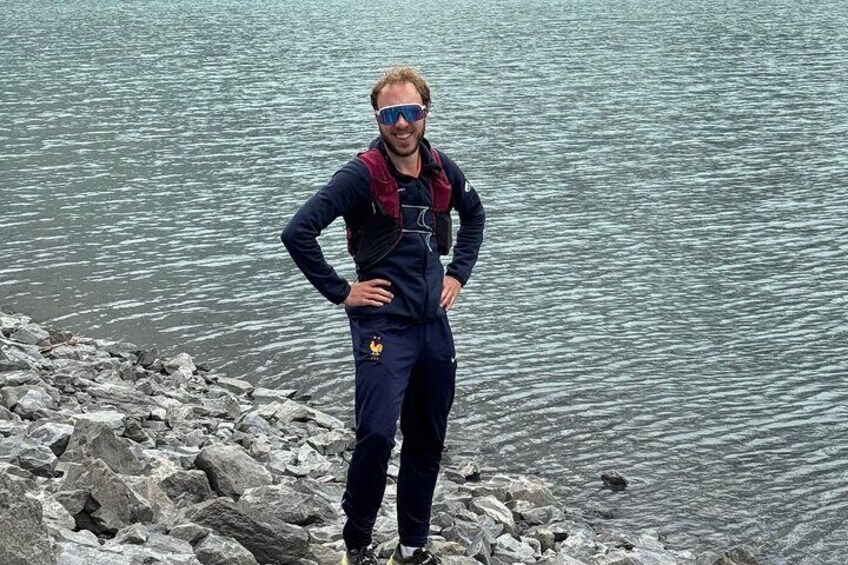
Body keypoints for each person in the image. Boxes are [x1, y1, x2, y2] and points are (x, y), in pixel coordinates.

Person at [281, 66, 485, 565]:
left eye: (410, 112)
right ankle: (357, 544)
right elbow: (298, 232)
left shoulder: (441, 169)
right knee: (375, 434)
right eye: (390, 114)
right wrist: (342, 292)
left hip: (433, 328)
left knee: (427, 439)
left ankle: (412, 547)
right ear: (377, 118)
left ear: (425, 112)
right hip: (382, 327)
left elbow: (475, 216)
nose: (401, 124)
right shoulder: (361, 175)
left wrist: (458, 274)